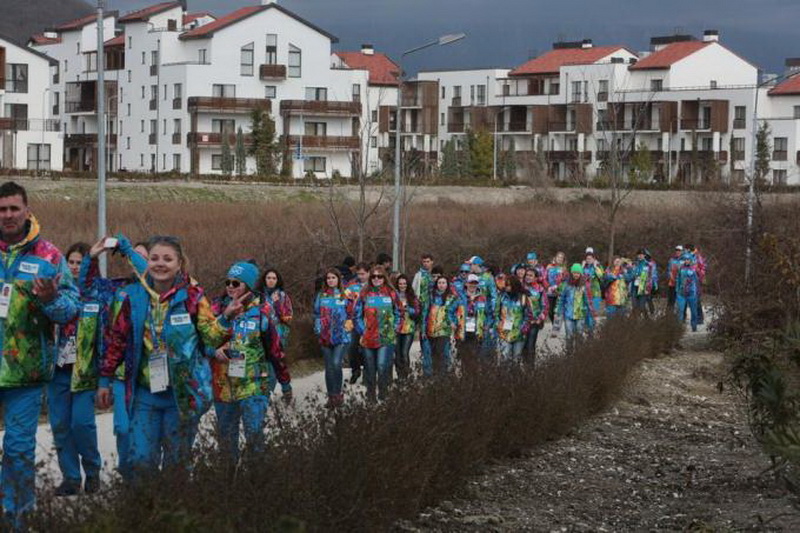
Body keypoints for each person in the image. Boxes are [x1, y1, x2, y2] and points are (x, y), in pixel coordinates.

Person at [97, 236, 237, 475]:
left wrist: (225, 318)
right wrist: (104, 381)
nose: (160, 264)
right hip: (144, 393)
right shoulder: (131, 296)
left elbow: (211, 338)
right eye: (154, 258)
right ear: (147, 261)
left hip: (181, 396)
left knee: (177, 463)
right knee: (141, 459)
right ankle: (146, 508)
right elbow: (116, 340)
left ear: (179, 263)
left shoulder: (193, 297)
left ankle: (174, 510)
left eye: (167, 259)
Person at [0, 182, 79, 525]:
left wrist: (50, 300)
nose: (7, 215)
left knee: (17, 451)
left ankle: (16, 521)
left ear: (27, 210)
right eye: (2, 209)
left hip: (26, 374)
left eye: (14, 208)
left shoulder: (48, 256)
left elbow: (71, 310)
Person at [82, 235, 148, 482]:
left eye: (143, 256)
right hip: (121, 373)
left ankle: (147, 475)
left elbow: (148, 273)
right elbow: (88, 287)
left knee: (145, 430)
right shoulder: (118, 289)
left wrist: (129, 250)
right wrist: (92, 256)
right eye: (133, 257)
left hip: (148, 375)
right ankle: (129, 474)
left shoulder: (159, 291)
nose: (136, 261)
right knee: (122, 427)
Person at [209, 261, 288, 462]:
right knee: (226, 440)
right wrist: (213, 350)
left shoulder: (262, 310)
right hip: (224, 384)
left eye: (236, 283)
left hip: (253, 382)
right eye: (228, 282)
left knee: (254, 434)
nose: (230, 287)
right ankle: (231, 484)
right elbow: (202, 340)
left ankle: (257, 483)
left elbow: (275, 348)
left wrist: (284, 381)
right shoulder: (216, 307)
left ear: (249, 285)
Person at [47, 242, 103, 497]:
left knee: (81, 424)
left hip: (85, 371)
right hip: (57, 370)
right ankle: (70, 477)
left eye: (80, 262)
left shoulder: (97, 295)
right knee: (60, 424)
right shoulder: (53, 292)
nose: (75, 266)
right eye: (71, 262)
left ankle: (92, 472)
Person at [354, 266, 401, 401]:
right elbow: (356, 315)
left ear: (384, 278)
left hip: (386, 337)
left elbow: (400, 312)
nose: (376, 279)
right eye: (373, 276)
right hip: (368, 338)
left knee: (381, 366)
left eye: (379, 276)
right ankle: (371, 395)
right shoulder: (364, 293)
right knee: (370, 367)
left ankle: (383, 393)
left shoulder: (392, 293)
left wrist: (395, 328)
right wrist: (363, 330)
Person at [314, 268, 352, 407]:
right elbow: (317, 313)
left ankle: (338, 394)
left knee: (336, 363)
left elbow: (351, 313)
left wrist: (349, 325)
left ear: (338, 279)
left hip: (341, 336)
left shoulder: (345, 294)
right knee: (329, 367)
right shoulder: (321, 295)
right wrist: (318, 327)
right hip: (325, 337)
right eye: (328, 278)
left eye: (333, 278)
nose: (331, 280)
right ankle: (331, 397)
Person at [261, 268, 293, 403]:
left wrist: (277, 304)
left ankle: (285, 389)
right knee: (265, 366)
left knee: (277, 365)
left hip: (278, 337)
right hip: (261, 336)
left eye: (274, 278)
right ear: (264, 279)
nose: (271, 280)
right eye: (268, 278)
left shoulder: (283, 296)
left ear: (277, 280)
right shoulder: (258, 296)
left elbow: (288, 317)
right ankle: (265, 395)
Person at [422, 276, 463, 375]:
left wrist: (454, 322)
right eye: (439, 283)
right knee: (432, 355)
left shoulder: (453, 297)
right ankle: (433, 377)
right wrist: (423, 329)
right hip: (431, 330)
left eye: (443, 283)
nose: (441, 285)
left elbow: (458, 312)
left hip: (444, 330)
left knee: (443, 354)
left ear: (447, 284)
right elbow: (425, 313)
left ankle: (443, 376)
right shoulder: (431, 296)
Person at [554, 264, 595, 351]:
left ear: (581, 274)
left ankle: (578, 355)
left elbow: (587, 299)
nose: (576, 275)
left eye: (578, 273)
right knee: (569, 335)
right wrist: (559, 311)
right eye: (574, 273)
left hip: (580, 315)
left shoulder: (583, 286)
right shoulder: (567, 285)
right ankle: (569, 353)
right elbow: (562, 299)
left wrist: (591, 310)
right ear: (571, 273)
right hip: (569, 315)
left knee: (579, 335)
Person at [458, 273, 494, 372]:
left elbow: (490, 313)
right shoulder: (460, 297)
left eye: (475, 283)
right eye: (470, 283)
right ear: (466, 284)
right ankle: (464, 378)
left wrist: (488, 324)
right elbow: (451, 311)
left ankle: (474, 379)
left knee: (475, 356)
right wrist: (454, 322)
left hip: (477, 331)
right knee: (464, 356)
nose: (472, 285)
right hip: (463, 331)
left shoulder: (483, 298)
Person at [496, 276, 534, 363]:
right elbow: (496, 313)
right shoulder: (501, 297)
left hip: (519, 334)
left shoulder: (524, 298)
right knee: (504, 358)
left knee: (516, 359)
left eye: (509, 285)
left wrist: (523, 329)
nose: (507, 287)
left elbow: (529, 315)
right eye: (506, 285)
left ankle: (515, 376)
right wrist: (498, 325)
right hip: (504, 333)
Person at [344, 262, 370, 383]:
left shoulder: (373, 285)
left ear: (368, 273)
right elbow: (343, 299)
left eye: (363, 274)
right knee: (351, 346)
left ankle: (367, 372)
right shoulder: (352, 285)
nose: (361, 276)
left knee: (366, 347)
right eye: (359, 274)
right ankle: (355, 370)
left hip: (370, 321)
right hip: (354, 320)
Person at [393, 274, 419, 381]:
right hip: (396, 328)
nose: (402, 285)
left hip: (408, 328)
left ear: (407, 284)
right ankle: (400, 376)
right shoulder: (393, 296)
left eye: (404, 283)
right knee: (397, 353)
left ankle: (405, 376)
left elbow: (417, 311)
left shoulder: (412, 297)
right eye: (400, 283)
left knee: (404, 352)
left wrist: (408, 309)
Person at [413, 255, 435, 375]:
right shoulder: (419, 275)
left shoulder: (435, 275)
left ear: (432, 262)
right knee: (424, 339)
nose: (426, 263)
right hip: (423, 311)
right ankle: (427, 372)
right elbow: (414, 291)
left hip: (435, 312)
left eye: (428, 261)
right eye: (424, 262)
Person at [522, 268, 548, 364]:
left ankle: (530, 370)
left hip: (534, 322)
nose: (528, 277)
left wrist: (540, 319)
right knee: (522, 347)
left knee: (530, 346)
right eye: (527, 275)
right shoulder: (521, 287)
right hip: (521, 321)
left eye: (531, 275)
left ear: (536, 278)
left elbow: (545, 306)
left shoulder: (540, 289)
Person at [675, 252, 701, 332]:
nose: (686, 261)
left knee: (693, 311)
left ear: (690, 260)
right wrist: (677, 290)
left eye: (688, 259)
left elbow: (697, 281)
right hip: (681, 293)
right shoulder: (680, 269)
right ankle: (679, 328)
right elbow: (678, 280)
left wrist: (698, 292)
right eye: (685, 259)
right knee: (680, 310)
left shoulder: (694, 269)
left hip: (692, 293)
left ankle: (694, 326)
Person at [582, 248, 604, 328]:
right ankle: (588, 330)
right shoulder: (584, 267)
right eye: (587, 258)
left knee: (592, 313)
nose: (588, 260)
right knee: (586, 314)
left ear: (594, 259)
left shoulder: (598, 266)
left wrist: (595, 267)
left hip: (595, 294)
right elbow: (579, 277)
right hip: (585, 294)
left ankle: (591, 334)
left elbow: (601, 277)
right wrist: (582, 266)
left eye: (590, 258)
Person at [631, 248, 657, 317]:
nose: (640, 256)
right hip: (634, 287)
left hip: (643, 287)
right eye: (639, 255)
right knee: (635, 306)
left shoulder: (648, 264)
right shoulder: (634, 264)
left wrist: (654, 284)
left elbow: (652, 275)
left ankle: (646, 321)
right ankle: (636, 323)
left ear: (644, 255)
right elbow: (631, 274)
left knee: (642, 307)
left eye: (642, 255)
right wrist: (633, 274)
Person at [545, 252, 567, 323]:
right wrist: (548, 287)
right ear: (555, 258)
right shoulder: (549, 267)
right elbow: (544, 278)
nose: (560, 259)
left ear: (563, 260)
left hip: (559, 293)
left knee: (557, 312)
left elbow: (565, 281)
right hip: (550, 293)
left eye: (561, 258)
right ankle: (553, 324)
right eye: (558, 257)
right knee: (550, 312)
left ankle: (555, 329)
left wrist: (560, 288)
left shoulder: (564, 269)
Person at [666, 245, 684, 311]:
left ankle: (681, 317)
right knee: (671, 301)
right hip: (672, 283)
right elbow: (668, 270)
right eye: (676, 250)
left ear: (682, 251)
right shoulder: (671, 260)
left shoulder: (685, 260)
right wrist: (671, 277)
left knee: (681, 302)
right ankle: (669, 315)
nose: (678, 252)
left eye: (679, 250)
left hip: (681, 284)